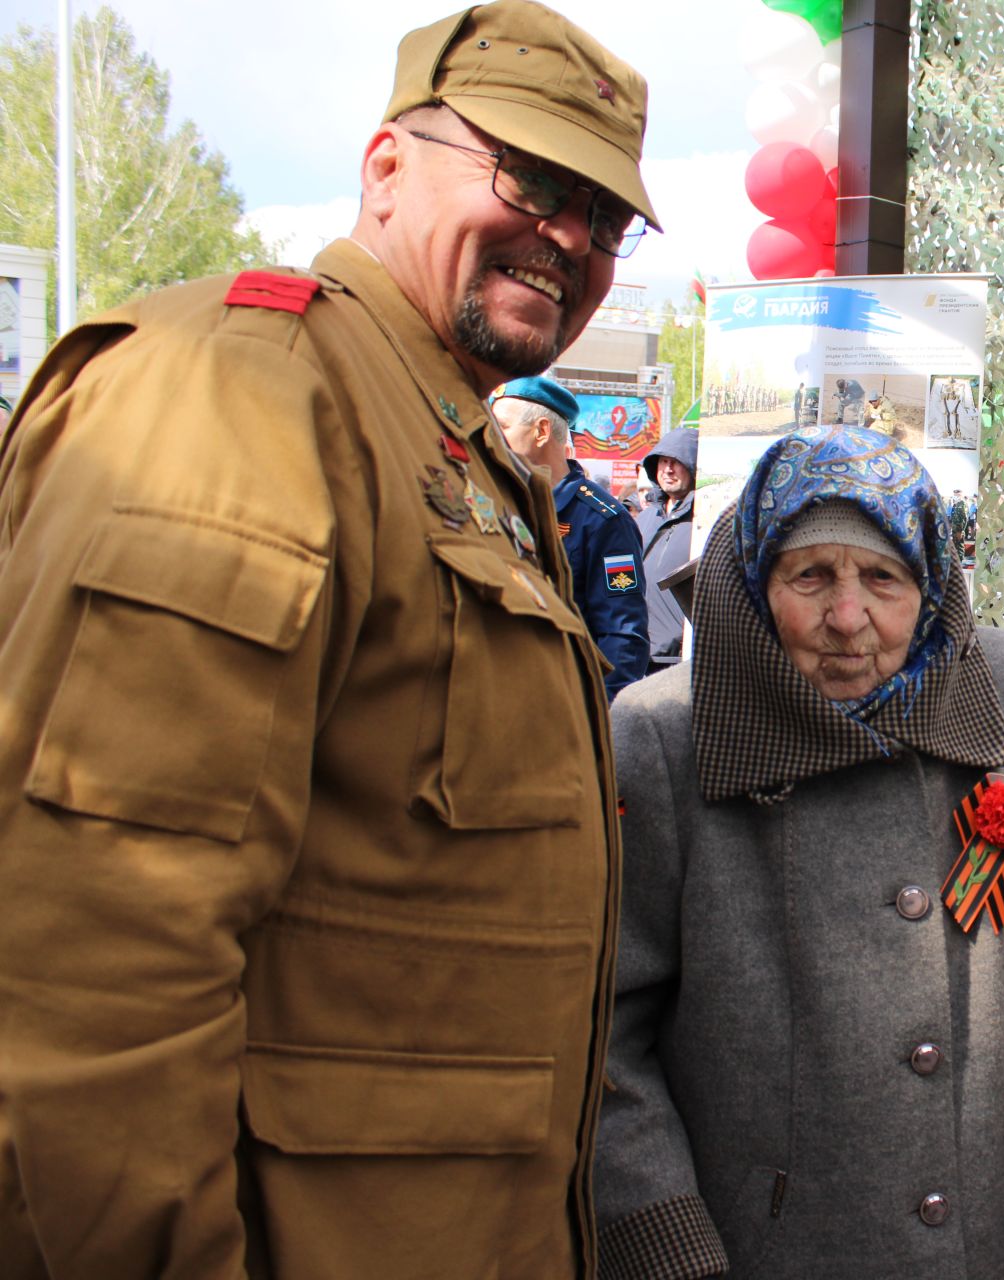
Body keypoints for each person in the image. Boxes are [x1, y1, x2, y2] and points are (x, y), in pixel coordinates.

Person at [0, 3, 658, 1275]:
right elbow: (93, 953)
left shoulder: (443, 442)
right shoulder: (250, 391)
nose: (569, 236)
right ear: (385, 166)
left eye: (607, 215)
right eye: (529, 175)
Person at [595, 424, 1004, 1278]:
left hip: (995, 1234)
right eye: (811, 576)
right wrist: (663, 1234)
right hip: (767, 1244)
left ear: (931, 583)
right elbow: (603, 1032)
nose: (849, 617)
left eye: (884, 578)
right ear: (755, 582)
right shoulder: (666, 735)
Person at [495, 374, 651, 700]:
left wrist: (595, 718)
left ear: (541, 431)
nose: (492, 438)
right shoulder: (496, 503)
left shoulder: (601, 519)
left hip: (562, 707)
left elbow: (622, 636)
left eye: (503, 428)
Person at [633, 424, 697, 668]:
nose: (668, 469)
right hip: (639, 652)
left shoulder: (704, 519)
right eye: (663, 461)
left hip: (680, 658)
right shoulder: (645, 517)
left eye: (677, 461)